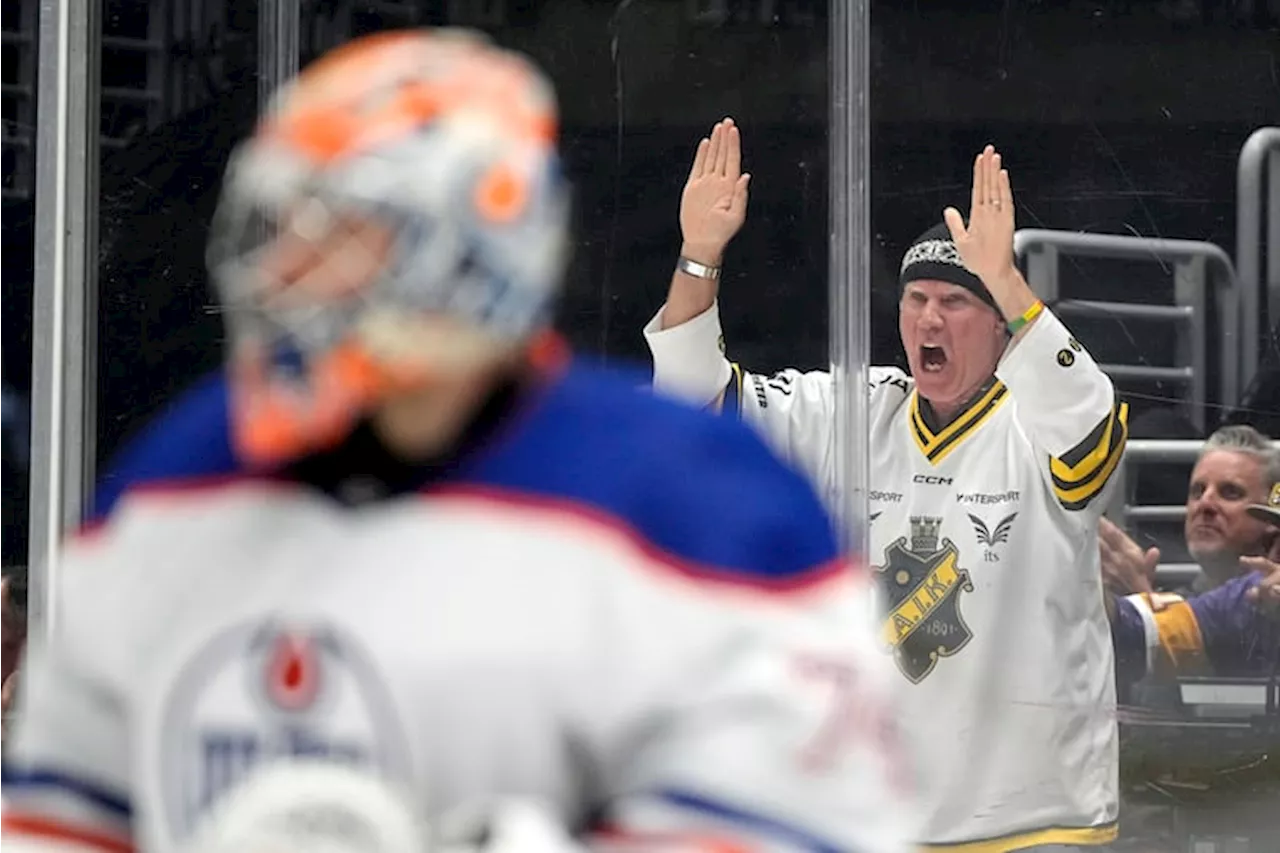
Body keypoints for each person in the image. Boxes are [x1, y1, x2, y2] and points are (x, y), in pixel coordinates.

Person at [0, 32, 909, 853]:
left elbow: (815, 818)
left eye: (342, 228)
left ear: (479, 250)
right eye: (281, 226)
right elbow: (57, 814)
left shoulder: (696, 502)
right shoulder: (177, 483)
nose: (288, 269)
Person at [644, 119, 1126, 851]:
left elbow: (1091, 426)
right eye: (915, 299)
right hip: (882, 823)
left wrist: (1006, 279)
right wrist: (700, 255)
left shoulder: (1037, 423)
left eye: (956, 301)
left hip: (1037, 823)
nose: (929, 317)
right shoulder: (854, 411)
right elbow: (696, 405)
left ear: (1000, 324)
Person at [1100, 424, 1280, 599]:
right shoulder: (1182, 601)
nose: (1205, 504)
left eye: (1230, 492)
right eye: (1198, 491)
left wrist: (1138, 599)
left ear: (1271, 519)